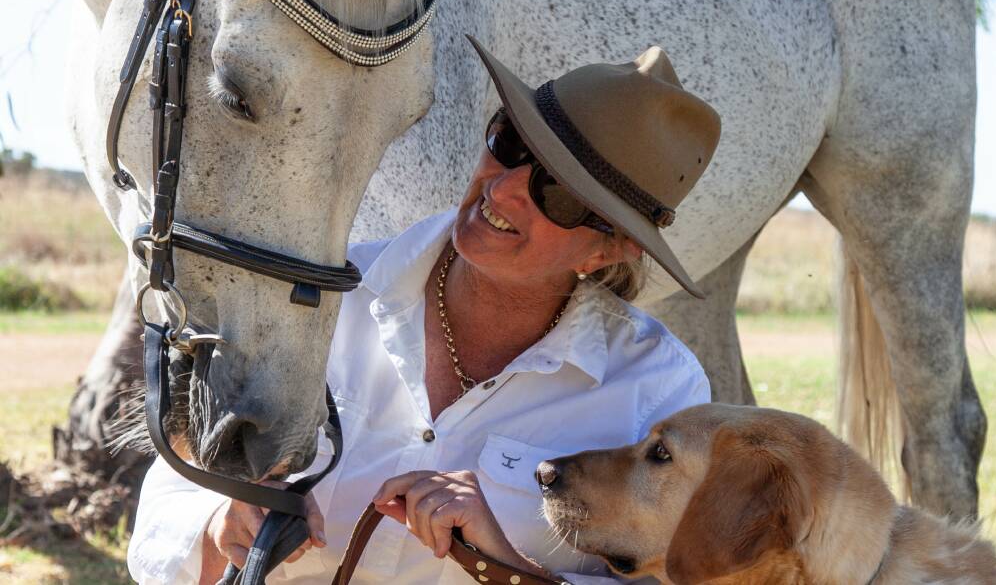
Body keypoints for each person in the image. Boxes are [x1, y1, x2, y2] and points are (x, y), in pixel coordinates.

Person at [127, 35, 721, 584]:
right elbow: (164, 510)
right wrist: (216, 529)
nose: (503, 187)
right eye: (509, 142)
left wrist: (505, 563)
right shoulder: (310, 300)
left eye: (557, 193)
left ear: (609, 247)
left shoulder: (658, 391)